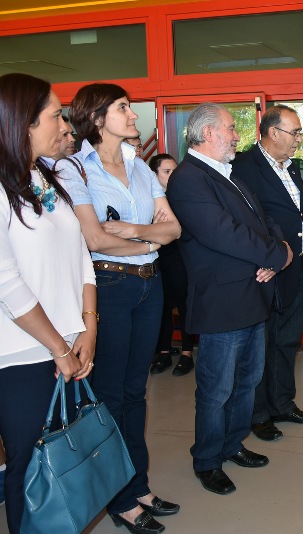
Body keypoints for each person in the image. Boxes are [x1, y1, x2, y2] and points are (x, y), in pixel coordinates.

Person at [57, 83, 182, 533]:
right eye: (124, 108)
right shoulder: (74, 168)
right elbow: (93, 238)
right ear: (96, 118)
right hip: (108, 286)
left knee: (135, 393)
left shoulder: (138, 164)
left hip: (150, 285)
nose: (133, 115)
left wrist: (132, 230)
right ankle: (119, 499)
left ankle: (137, 484)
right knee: (110, 396)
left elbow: (174, 229)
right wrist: (149, 237)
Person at [167, 103, 291, 494]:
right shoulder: (188, 179)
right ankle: (207, 459)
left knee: (247, 380)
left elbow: (264, 221)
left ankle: (232, 444)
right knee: (217, 389)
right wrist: (277, 256)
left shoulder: (229, 173)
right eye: (231, 128)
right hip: (222, 303)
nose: (237, 136)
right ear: (207, 133)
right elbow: (224, 234)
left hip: (252, 293)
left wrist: (279, 250)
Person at [0, 73, 96, 534]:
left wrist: (88, 328)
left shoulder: (45, 176)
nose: (65, 125)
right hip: (23, 354)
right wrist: (59, 347)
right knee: (32, 468)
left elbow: (81, 258)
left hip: (69, 346)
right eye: (56, 115)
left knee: (65, 463)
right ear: (23, 122)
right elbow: (8, 284)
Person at [233, 104, 303, 443]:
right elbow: (242, 222)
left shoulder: (291, 168)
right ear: (272, 132)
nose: (299, 139)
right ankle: (258, 413)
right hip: (265, 272)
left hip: (295, 267)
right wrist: (263, 259)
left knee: (286, 340)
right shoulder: (243, 167)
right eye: (294, 132)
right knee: (261, 346)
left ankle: (283, 403)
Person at [148, 154, 195, 377]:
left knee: (185, 305)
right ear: (154, 175)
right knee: (162, 306)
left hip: (181, 258)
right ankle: (164, 351)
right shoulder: (148, 199)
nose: (173, 176)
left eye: (175, 171)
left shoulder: (183, 197)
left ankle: (187, 353)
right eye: (167, 172)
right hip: (156, 258)